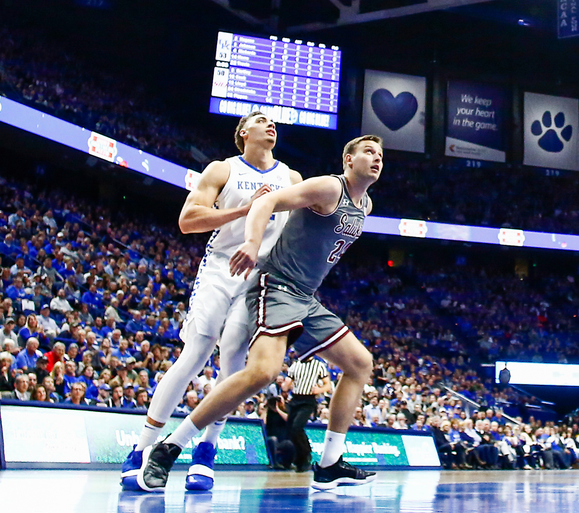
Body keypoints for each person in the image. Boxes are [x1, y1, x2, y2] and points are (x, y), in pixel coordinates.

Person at [137, 135, 384, 492]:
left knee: (360, 364)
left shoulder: (366, 205)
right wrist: (252, 244)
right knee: (263, 372)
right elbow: (267, 201)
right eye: (368, 152)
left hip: (305, 296)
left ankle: (330, 464)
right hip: (277, 285)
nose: (376, 159)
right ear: (348, 159)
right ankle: (169, 447)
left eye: (380, 155)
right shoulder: (330, 187)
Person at [122, 111, 299, 492]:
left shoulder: (292, 178)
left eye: (273, 122)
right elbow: (188, 220)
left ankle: (207, 449)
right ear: (243, 132)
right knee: (196, 351)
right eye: (261, 120)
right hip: (222, 266)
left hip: (261, 276)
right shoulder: (223, 169)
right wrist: (246, 209)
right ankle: (142, 448)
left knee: (233, 361)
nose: (270, 125)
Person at [287, 358, 330, 471]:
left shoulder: (318, 365)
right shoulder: (295, 365)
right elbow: (286, 385)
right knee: (291, 429)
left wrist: (319, 390)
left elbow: (328, 385)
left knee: (297, 427)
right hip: (295, 399)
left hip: (308, 400)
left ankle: (306, 454)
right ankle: (300, 457)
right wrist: (287, 384)